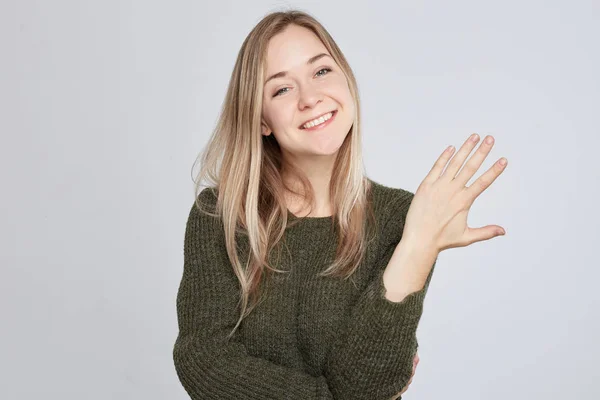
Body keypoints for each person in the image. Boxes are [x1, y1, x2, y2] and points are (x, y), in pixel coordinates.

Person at [172, 9, 507, 400]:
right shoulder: (221, 215)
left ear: (346, 79)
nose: (310, 98)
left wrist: (417, 247)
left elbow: (372, 382)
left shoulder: (403, 217)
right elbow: (203, 361)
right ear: (260, 119)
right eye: (281, 89)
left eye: (321, 71)